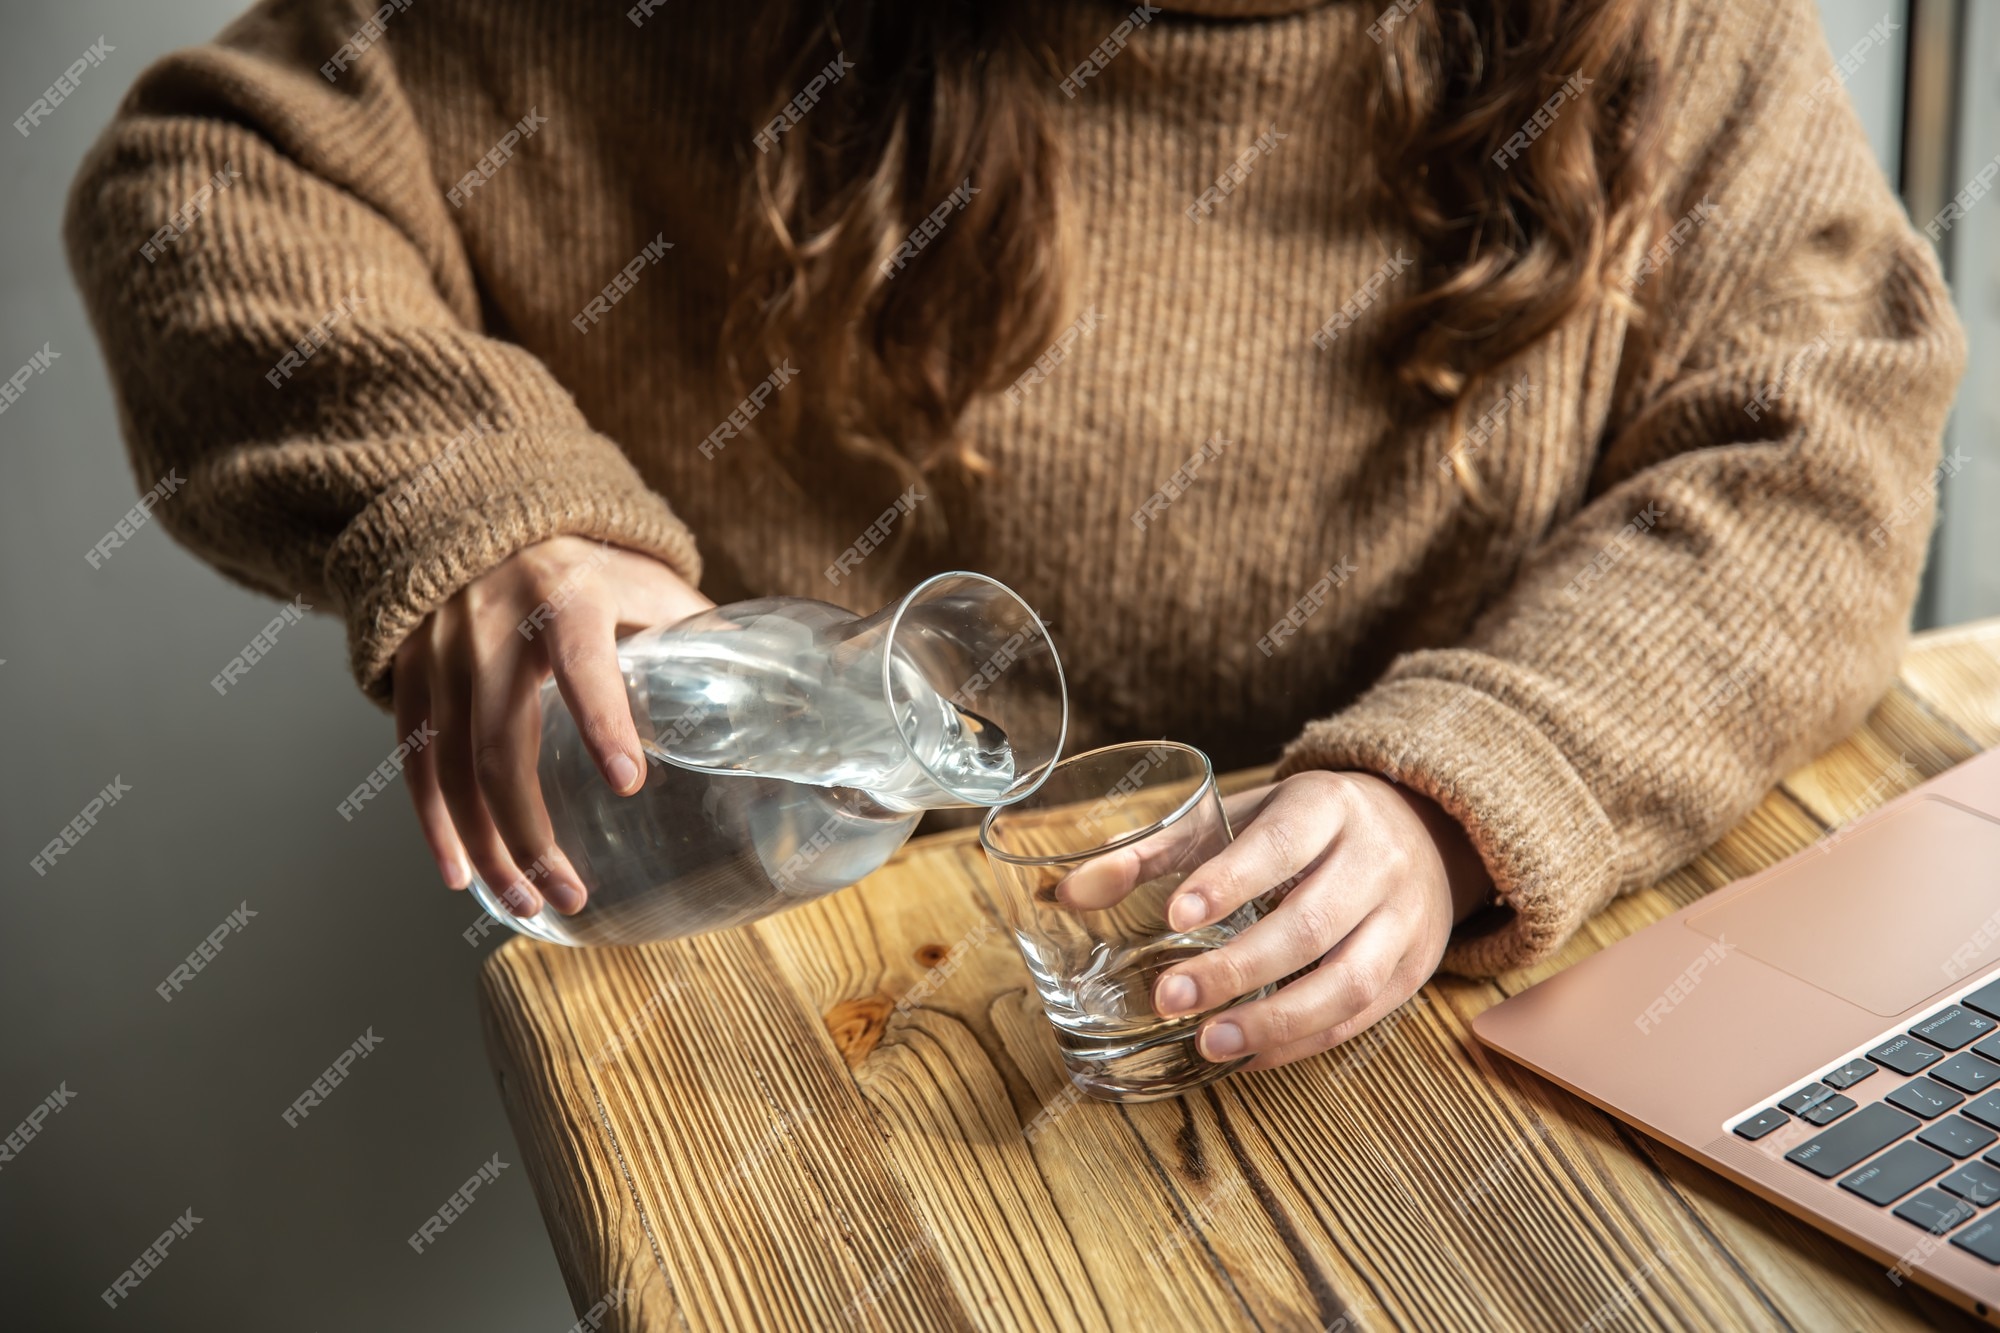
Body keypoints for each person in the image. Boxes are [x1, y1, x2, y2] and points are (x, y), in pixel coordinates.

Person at [66, 0, 1963, 1074]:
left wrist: (1479, 779)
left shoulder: (1660, 37)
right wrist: (469, 503)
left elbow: (1831, 425)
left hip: (1433, 1041)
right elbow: (210, 178)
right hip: (822, 1043)